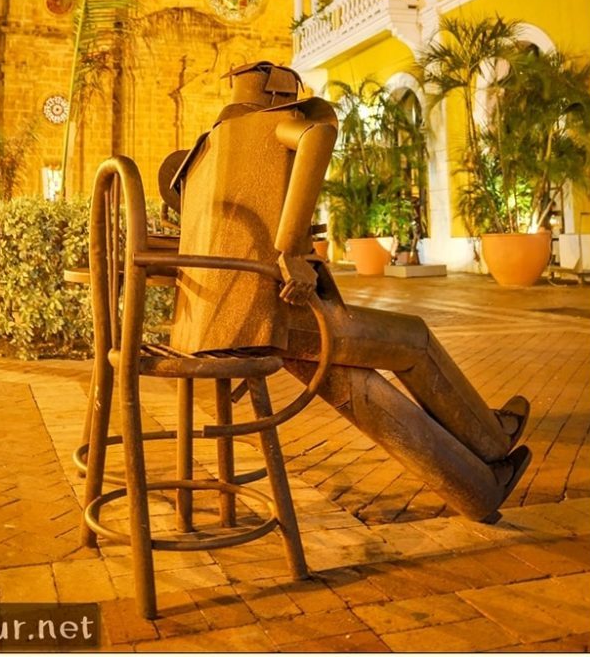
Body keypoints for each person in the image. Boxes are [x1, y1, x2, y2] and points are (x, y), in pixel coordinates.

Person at [168, 60, 531, 522]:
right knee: (414, 338)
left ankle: (479, 487)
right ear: (281, 103)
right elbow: (318, 137)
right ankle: (491, 438)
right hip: (275, 312)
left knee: (358, 386)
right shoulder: (269, 126)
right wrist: (288, 250)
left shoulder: (205, 154)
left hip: (218, 327)